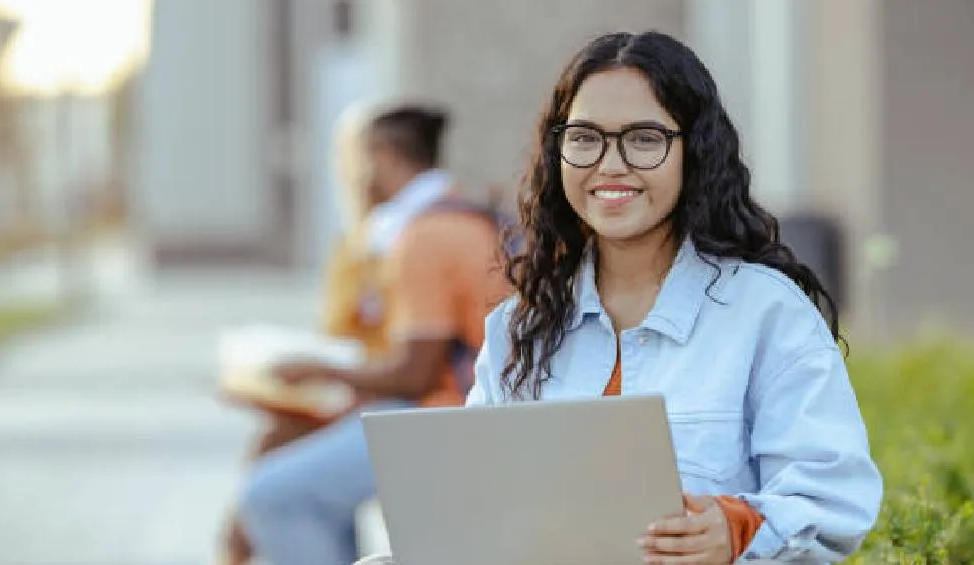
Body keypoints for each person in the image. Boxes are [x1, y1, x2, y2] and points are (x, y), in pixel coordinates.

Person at [467, 31, 882, 564]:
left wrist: (736, 529)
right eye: (585, 138)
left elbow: (834, 502)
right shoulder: (515, 329)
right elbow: (476, 508)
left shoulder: (765, 312)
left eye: (643, 138)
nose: (610, 165)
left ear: (695, 151)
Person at [237, 103, 511, 565]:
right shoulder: (467, 216)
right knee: (301, 464)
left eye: (351, 162)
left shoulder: (424, 236)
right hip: (465, 408)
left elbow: (417, 375)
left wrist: (320, 371)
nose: (349, 178)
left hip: (446, 421)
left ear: (381, 157)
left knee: (270, 495)